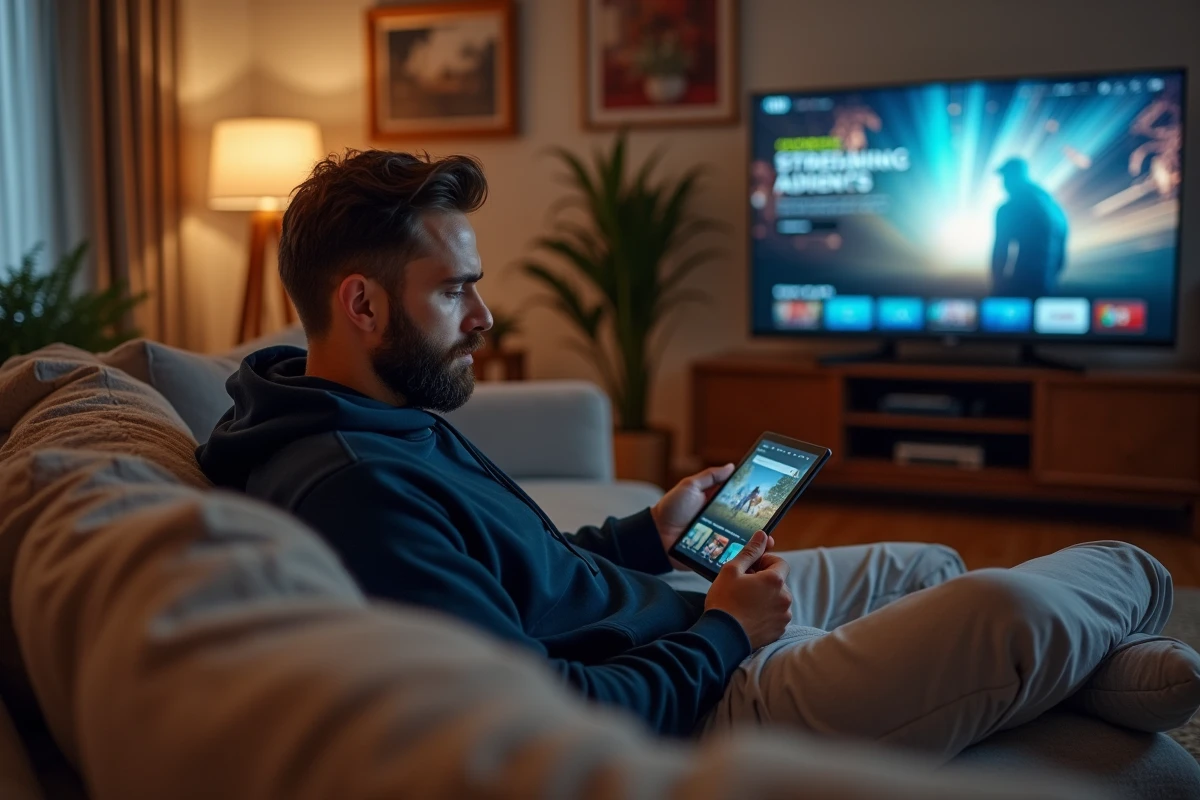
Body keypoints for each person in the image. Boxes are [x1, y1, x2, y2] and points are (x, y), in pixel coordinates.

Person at [197, 149, 1200, 759]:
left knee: (930, 565)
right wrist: (727, 632)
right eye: (456, 288)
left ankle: (1093, 674)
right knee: (1030, 600)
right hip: (701, 704)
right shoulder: (358, 492)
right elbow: (538, 714)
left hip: (671, 620)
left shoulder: (375, 410)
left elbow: (523, 569)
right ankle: (1119, 627)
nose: (485, 315)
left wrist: (648, 530)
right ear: (362, 303)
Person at [990, 157, 1069, 297]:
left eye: (1005, 177)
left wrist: (998, 289)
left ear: (1012, 178)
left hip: (1020, 288)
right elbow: (1061, 258)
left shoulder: (1009, 209)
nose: (1003, 183)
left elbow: (1000, 251)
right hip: (1048, 287)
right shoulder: (1055, 209)